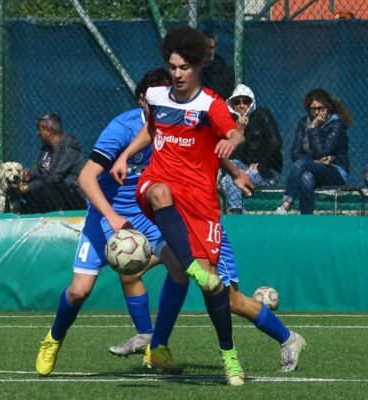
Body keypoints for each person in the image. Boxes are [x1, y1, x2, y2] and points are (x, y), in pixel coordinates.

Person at [111, 25, 247, 386]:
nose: (178, 73)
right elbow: (151, 131)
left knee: (213, 287)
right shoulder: (156, 96)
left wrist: (231, 142)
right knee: (158, 193)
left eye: (184, 67)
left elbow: (234, 131)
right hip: (159, 185)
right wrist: (126, 155)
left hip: (200, 203)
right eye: (173, 66)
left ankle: (229, 356)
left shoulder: (211, 105)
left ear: (198, 66)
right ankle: (190, 266)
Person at [35, 68, 192, 378]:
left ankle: (156, 346)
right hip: (106, 216)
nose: (162, 103)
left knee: (180, 269)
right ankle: (53, 338)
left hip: (146, 217)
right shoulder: (122, 128)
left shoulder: (174, 127)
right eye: (155, 97)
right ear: (141, 101)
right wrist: (112, 217)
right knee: (79, 291)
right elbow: (85, 178)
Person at [276, 88, 352, 215]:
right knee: (307, 177)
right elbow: (294, 152)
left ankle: (285, 206)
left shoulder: (336, 125)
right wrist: (315, 162)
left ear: (327, 108)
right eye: (313, 109)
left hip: (335, 171)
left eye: (320, 108)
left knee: (301, 164)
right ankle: (307, 219)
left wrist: (313, 128)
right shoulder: (303, 122)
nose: (317, 112)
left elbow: (321, 153)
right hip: (313, 168)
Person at [220, 84, 283, 214]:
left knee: (229, 180)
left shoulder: (261, 114)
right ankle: (238, 212)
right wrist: (241, 131)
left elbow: (276, 143)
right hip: (246, 168)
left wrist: (261, 164)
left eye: (246, 101)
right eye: (237, 102)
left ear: (252, 102)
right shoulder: (234, 123)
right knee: (227, 175)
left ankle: (237, 215)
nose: (241, 106)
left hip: (267, 171)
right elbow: (235, 157)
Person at [18, 113, 87, 213]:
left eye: (39, 129)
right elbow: (37, 169)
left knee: (46, 187)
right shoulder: (46, 148)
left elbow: (53, 177)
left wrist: (27, 187)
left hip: (73, 196)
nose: (37, 132)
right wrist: (27, 175)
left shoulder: (66, 149)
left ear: (49, 131)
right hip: (52, 192)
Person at [200, 31, 234, 100]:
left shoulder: (224, 72)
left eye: (211, 47)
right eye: (206, 47)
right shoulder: (192, 68)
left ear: (216, 49)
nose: (208, 51)